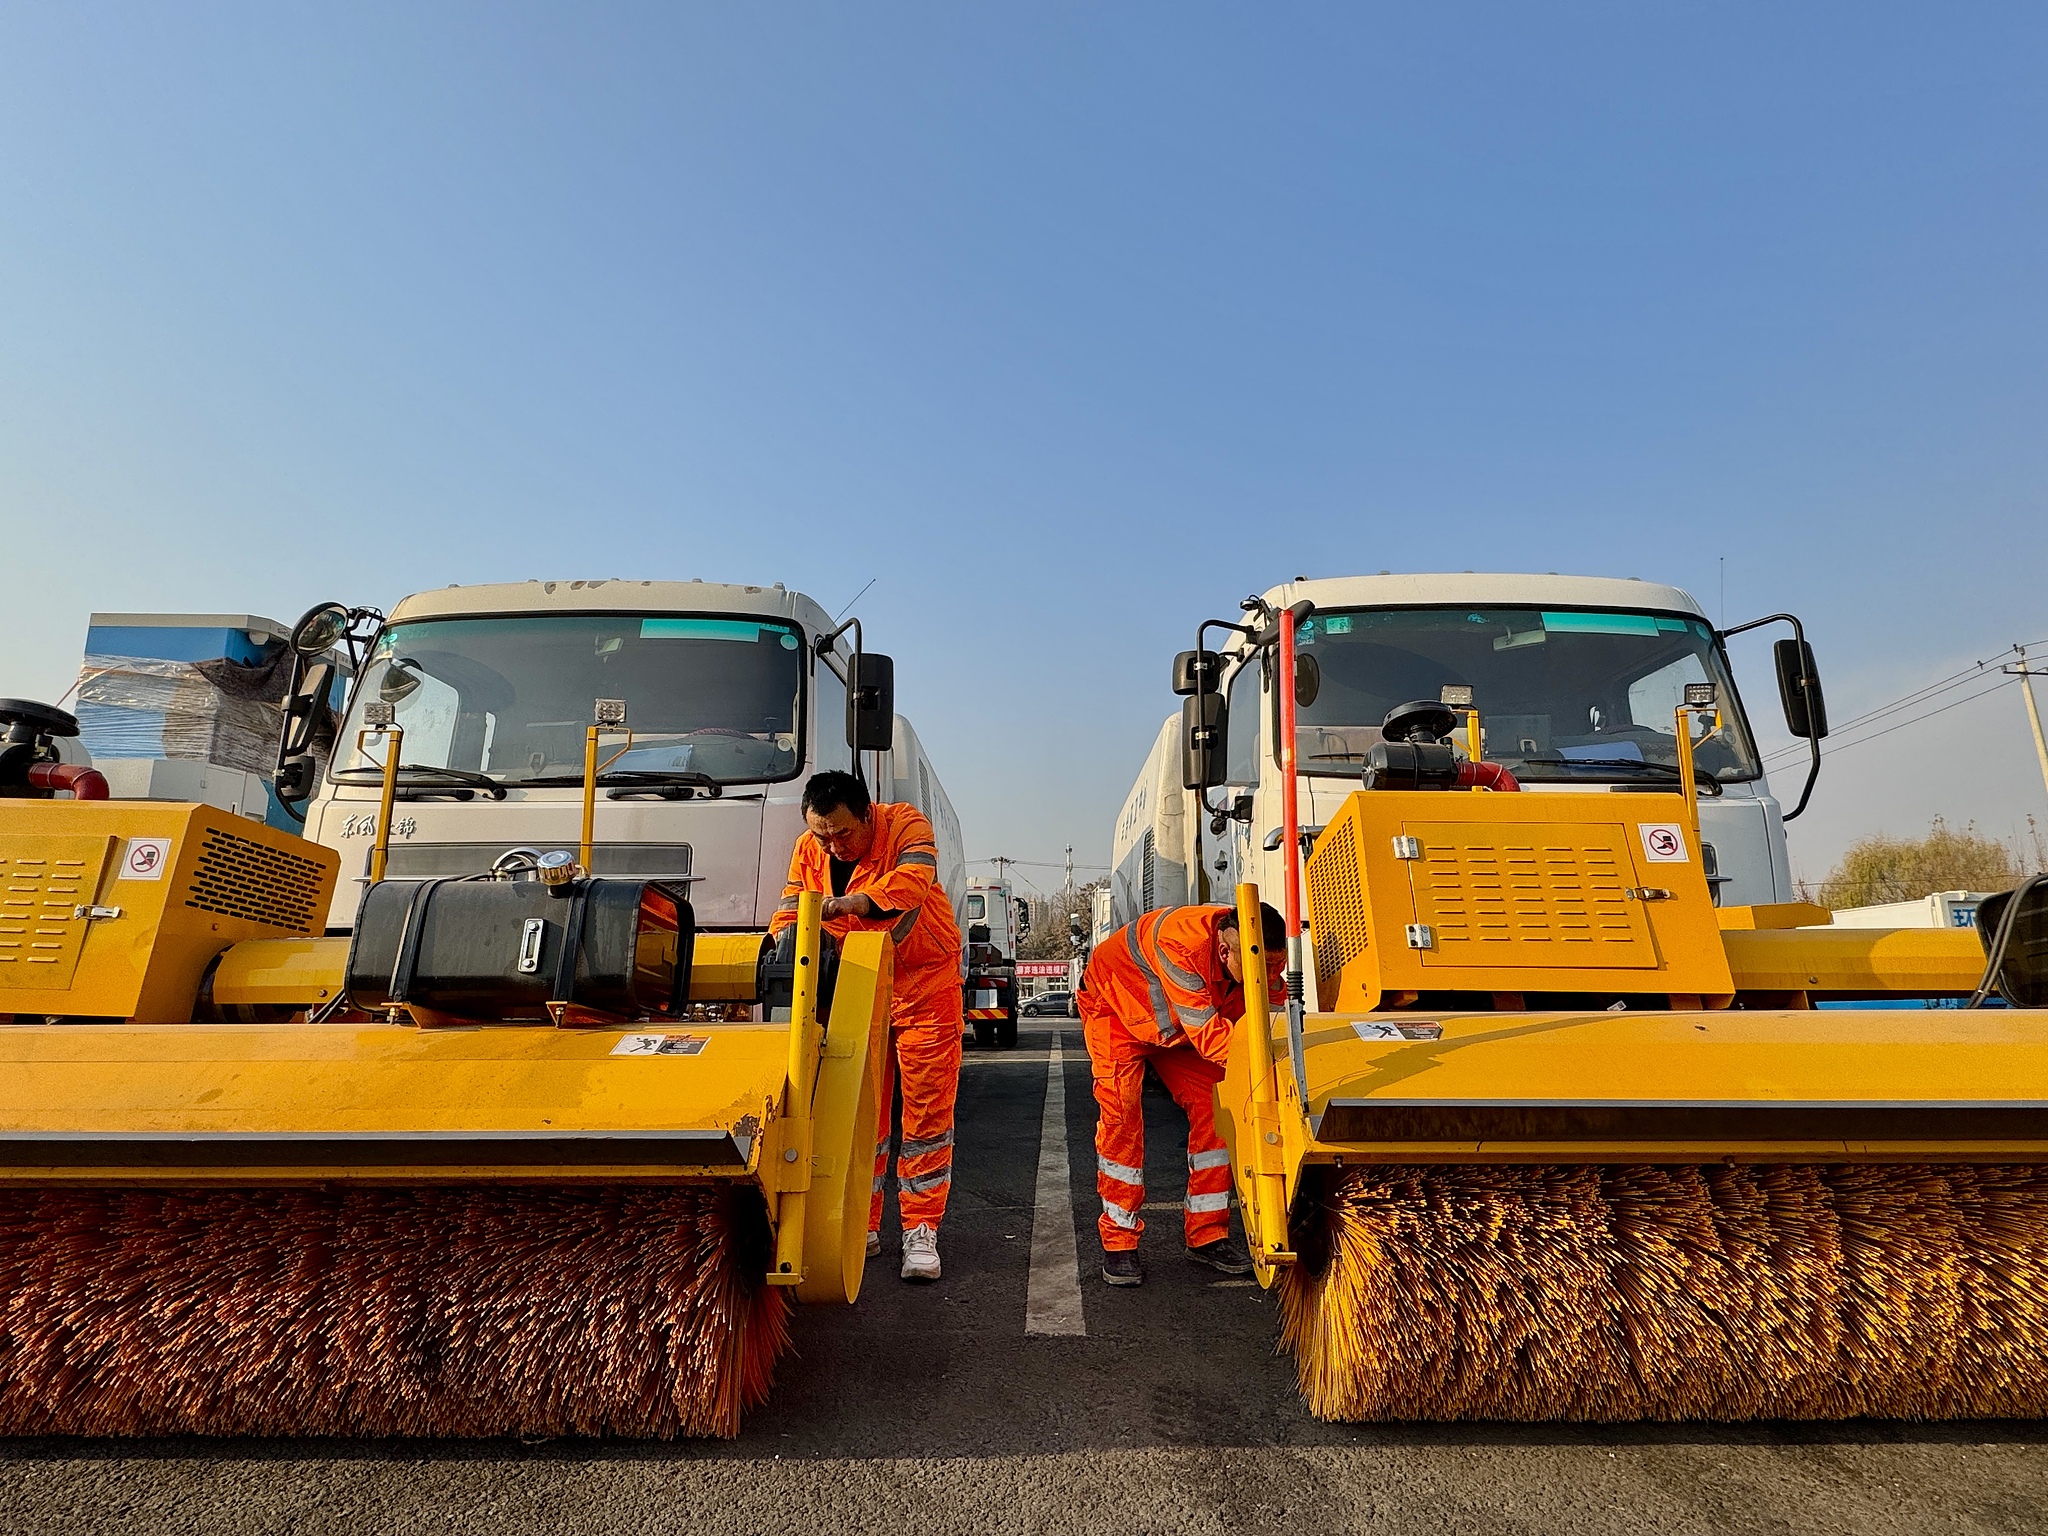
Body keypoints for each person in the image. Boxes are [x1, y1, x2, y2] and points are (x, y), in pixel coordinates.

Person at [770, 770, 964, 1282]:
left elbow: (913, 882)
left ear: (867, 814)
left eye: (842, 834)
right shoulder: (809, 849)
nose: (832, 846)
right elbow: (790, 910)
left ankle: (921, 1230)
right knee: (860, 1115)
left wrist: (854, 903)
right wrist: (777, 951)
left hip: (925, 989)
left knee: (926, 1118)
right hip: (858, 989)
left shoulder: (905, 825)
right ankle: (863, 1223)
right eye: (821, 836)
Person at [1079, 901, 1287, 1287]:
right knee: (1121, 1116)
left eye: (1278, 966)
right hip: (1116, 1011)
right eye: (1264, 967)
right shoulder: (1181, 943)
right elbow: (1212, 1041)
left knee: (1217, 1107)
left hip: (1179, 1031)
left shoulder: (1259, 957)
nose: (1271, 976)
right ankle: (1119, 1241)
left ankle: (1207, 1236)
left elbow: (1272, 1027)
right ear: (1224, 951)